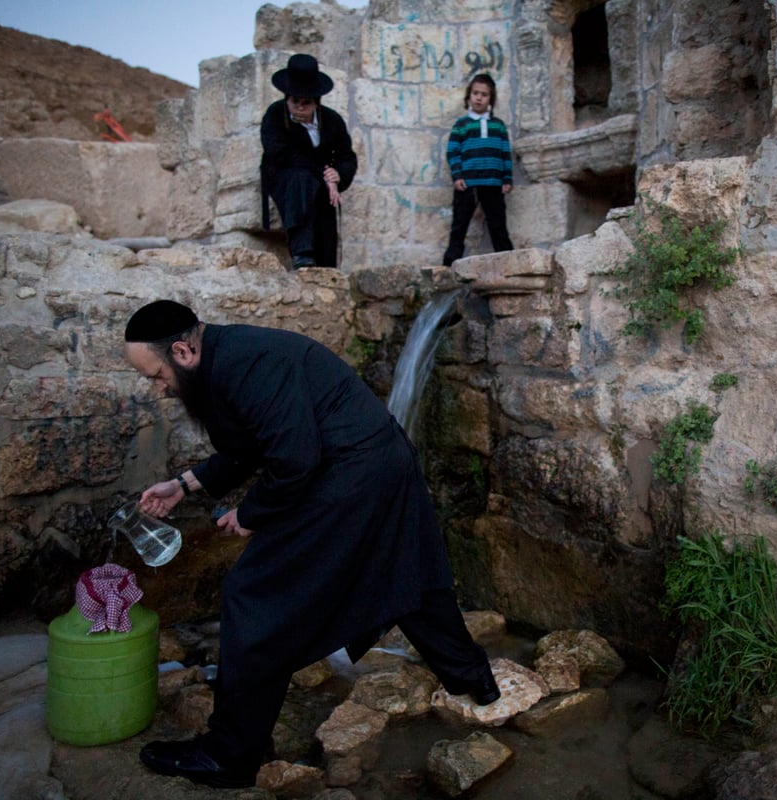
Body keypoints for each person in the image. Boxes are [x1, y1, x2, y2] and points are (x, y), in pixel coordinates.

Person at [123, 300, 499, 789]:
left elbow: (294, 459)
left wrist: (253, 514)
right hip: (376, 464)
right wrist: (186, 484)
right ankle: (477, 683)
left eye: (156, 375)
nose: (159, 389)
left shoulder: (248, 363)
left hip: (352, 473)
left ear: (181, 351)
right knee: (410, 577)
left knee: (254, 595)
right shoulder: (225, 358)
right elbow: (248, 445)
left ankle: (229, 755)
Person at [260, 54, 357, 269]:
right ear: (287, 99)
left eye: (307, 103)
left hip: (320, 181)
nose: (300, 108)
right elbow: (279, 153)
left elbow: (346, 156)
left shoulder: (331, 121)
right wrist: (324, 172)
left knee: (325, 206)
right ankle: (302, 253)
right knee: (301, 181)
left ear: (316, 102)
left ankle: (326, 267)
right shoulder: (275, 115)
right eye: (295, 102)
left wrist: (337, 175)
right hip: (286, 176)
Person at [441, 73, 514, 267]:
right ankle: (451, 260)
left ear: (491, 99)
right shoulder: (461, 125)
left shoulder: (498, 126)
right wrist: (457, 176)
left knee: (498, 224)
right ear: (469, 96)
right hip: (468, 183)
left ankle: (508, 260)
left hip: (493, 183)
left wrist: (507, 179)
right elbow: (453, 152)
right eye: (475, 93)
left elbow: (505, 153)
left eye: (484, 94)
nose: (479, 97)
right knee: (459, 223)